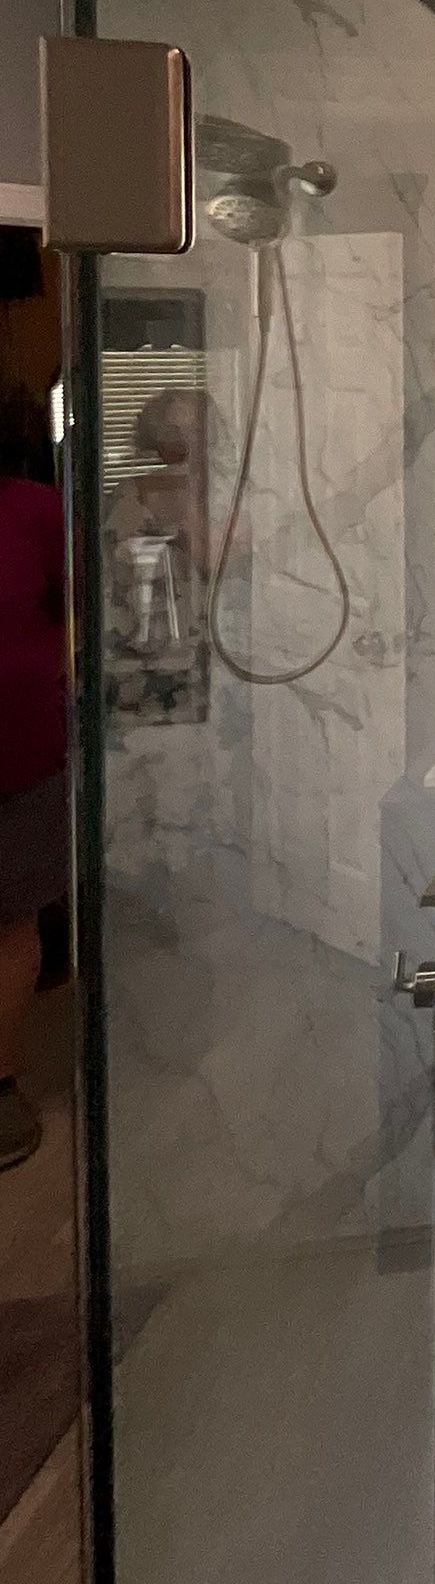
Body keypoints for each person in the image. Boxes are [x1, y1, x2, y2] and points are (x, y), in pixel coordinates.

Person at [0, 457, 65, 1170]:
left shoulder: (34, 509)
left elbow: (84, 608)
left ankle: (0, 1080)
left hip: (20, 756)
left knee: (12, 920)